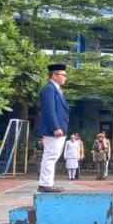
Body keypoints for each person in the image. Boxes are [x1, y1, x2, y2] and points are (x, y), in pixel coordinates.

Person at [37, 63, 69, 193]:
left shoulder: (56, 89)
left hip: (60, 129)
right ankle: (45, 184)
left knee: (53, 156)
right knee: (50, 156)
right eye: (63, 75)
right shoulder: (49, 89)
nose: (65, 78)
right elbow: (49, 110)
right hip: (54, 130)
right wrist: (55, 127)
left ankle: (47, 183)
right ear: (55, 75)